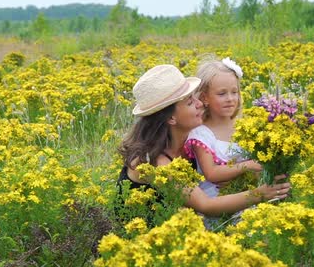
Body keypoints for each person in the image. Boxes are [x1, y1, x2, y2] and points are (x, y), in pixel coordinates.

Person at [117, 64, 289, 221]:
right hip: (146, 242)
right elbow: (206, 206)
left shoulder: (190, 140)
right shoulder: (154, 161)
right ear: (171, 118)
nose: (200, 104)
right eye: (190, 102)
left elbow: (213, 177)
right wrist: (260, 194)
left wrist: (235, 178)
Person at [184, 57, 262, 200]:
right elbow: (211, 173)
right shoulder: (201, 133)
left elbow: (260, 168)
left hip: (248, 198)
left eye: (234, 92)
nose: (230, 99)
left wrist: (243, 178)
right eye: (222, 94)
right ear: (204, 98)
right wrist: (247, 166)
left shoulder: (244, 126)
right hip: (217, 205)